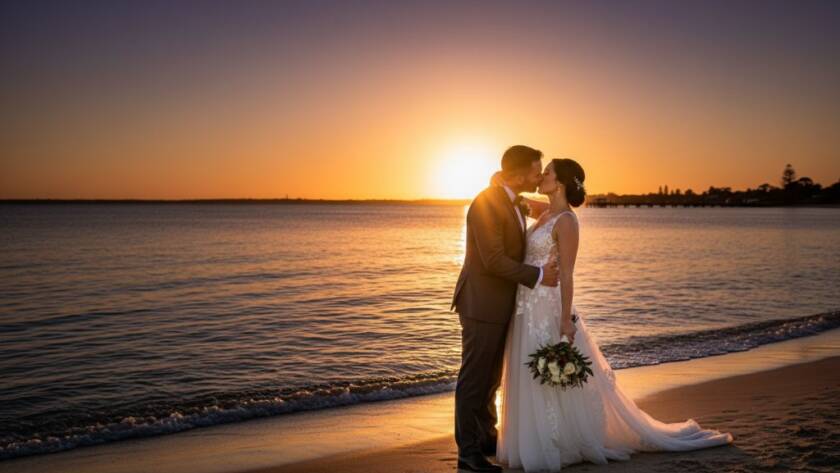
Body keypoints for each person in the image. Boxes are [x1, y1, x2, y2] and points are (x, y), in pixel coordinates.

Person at [496, 158, 733, 472]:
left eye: (548, 172)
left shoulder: (567, 221)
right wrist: (503, 181)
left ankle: (557, 441)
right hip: (526, 306)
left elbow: (567, 275)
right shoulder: (546, 212)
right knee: (531, 373)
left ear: (561, 182)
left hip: (547, 307)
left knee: (551, 376)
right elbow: (514, 199)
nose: (541, 176)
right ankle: (535, 439)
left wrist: (565, 319)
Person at [451, 145, 561, 472]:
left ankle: (486, 436)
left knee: (491, 378)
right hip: (481, 303)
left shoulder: (512, 199)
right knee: (474, 379)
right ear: (518, 174)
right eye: (536, 171)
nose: (539, 177)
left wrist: (556, 203)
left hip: (500, 304)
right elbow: (493, 260)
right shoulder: (487, 202)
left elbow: (548, 208)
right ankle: (467, 452)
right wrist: (539, 275)